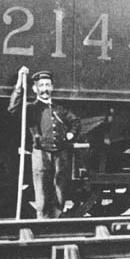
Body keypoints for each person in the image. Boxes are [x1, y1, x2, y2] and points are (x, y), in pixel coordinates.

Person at [9, 67, 81, 219]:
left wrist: (70, 135)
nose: (45, 89)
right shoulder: (31, 109)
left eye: (47, 85)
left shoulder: (59, 109)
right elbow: (13, 109)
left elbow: (75, 122)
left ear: (52, 88)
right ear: (35, 89)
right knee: (41, 188)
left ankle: (56, 219)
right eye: (41, 86)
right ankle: (42, 220)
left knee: (60, 189)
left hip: (60, 153)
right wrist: (19, 84)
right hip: (41, 153)